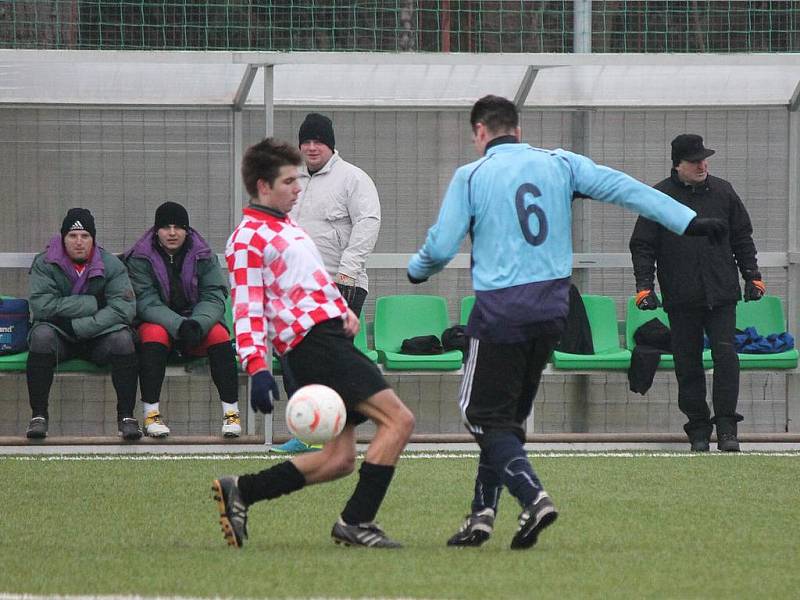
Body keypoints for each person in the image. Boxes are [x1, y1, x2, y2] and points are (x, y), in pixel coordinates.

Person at [407, 95, 725, 549]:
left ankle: (532, 496)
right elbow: (623, 186)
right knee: (508, 419)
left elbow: (439, 250)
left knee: (480, 415)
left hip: (501, 310)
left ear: (480, 133)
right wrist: (686, 220)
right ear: (518, 129)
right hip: (553, 308)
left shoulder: (472, 175)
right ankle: (481, 515)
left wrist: (417, 270)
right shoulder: (560, 164)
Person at [212, 138, 414, 549]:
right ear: (263, 186)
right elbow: (248, 309)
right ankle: (356, 522)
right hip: (314, 348)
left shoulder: (286, 226)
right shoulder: (247, 238)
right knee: (399, 421)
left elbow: (310, 281)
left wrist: (341, 310)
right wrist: (258, 368)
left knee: (339, 460)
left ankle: (242, 491)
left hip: (327, 339)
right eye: (289, 181)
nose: (297, 188)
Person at [629, 134, 765, 453]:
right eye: (695, 161)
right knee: (687, 363)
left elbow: (742, 238)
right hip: (681, 296)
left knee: (726, 357)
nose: (702, 165)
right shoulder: (658, 197)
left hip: (722, 293)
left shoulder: (724, 192)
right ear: (678, 165)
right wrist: (644, 287)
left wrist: (753, 277)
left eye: (705, 159)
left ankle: (728, 428)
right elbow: (642, 245)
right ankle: (699, 429)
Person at [271, 112, 382, 454]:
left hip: (341, 283)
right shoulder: (291, 180)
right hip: (296, 288)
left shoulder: (353, 179)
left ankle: (348, 418)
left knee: (331, 357)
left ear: (331, 144)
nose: (312, 147)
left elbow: (368, 222)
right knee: (291, 355)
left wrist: (347, 271)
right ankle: (310, 431)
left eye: (318, 141)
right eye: (306, 141)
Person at [124, 201, 241, 438]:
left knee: (219, 334)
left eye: (178, 227)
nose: (172, 232)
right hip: (161, 324)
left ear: (187, 230)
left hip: (196, 324)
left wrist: (197, 322)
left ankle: (231, 414)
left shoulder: (203, 254)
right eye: (166, 227)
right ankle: (151, 415)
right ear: (156, 230)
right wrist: (179, 325)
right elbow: (145, 301)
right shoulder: (140, 257)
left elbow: (214, 295)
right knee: (152, 333)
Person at [25, 208, 142, 440]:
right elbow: (42, 306)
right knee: (41, 336)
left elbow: (123, 309)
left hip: (97, 339)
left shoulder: (112, 265)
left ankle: (127, 417)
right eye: (72, 236)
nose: (79, 242)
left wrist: (76, 325)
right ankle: (38, 416)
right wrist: (92, 303)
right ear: (63, 238)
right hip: (60, 338)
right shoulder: (44, 263)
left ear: (93, 239)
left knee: (123, 339)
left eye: (85, 236)